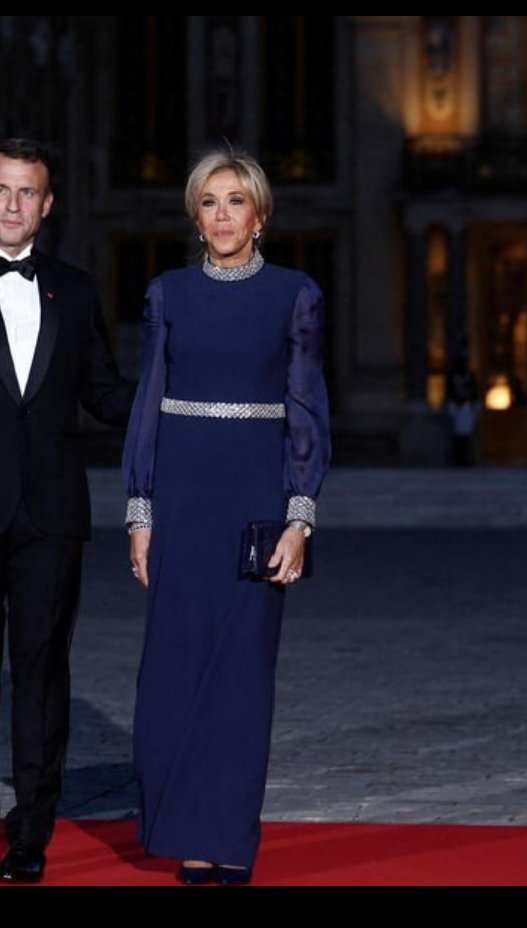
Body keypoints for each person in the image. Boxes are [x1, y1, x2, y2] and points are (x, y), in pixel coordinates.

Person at [123, 149, 331, 885]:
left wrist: (298, 518)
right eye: (209, 202)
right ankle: (188, 832)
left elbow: (305, 407)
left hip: (254, 503)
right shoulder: (168, 294)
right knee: (175, 672)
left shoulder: (294, 294)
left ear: (260, 215)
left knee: (242, 675)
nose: (221, 215)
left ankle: (229, 837)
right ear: (194, 215)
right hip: (182, 501)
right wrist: (140, 512)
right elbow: (148, 405)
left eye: (235, 201)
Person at [0, 138, 134, 883]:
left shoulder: (75, 291)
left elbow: (103, 392)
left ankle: (32, 829)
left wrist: (177, 395)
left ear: (47, 205)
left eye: (27, 191)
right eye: (1, 189)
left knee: (41, 671)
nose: (11, 204)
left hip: (50, 512)